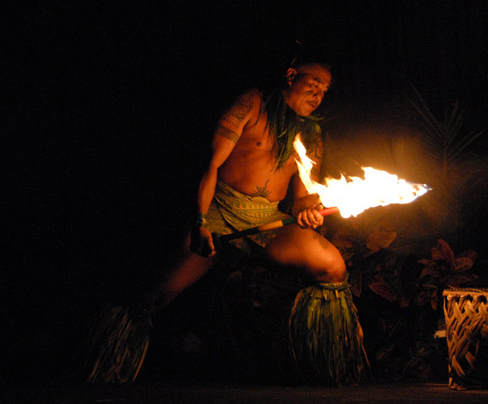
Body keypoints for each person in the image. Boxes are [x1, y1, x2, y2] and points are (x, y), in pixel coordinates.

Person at [86, 55, 369, 386]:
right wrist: (200, 221)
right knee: (156, 296)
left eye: (325, 90)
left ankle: (328, 368)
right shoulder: (251, 103)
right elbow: (210, 165)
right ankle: (106, 367)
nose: (319, 94)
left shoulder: (312, 133)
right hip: (218, 212)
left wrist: (306, 210)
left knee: (333, 267)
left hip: (267, 220)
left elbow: (305, 196)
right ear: (291, 76)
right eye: (314, 84)